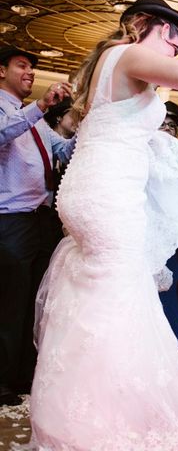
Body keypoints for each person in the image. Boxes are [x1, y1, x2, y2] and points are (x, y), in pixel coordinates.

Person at [28, 0, 178, 449]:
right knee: (121, 303)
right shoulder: (124, 53)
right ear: (142, 24)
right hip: (106, 196)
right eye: (172, 37)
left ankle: (78, 414)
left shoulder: (117, 67)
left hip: (93, 191)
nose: (176, 49)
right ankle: (106, 426)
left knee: (95, 302)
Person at [0, 45, 74, 407]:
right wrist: (41, 106)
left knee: (36, 301)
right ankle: (1, 379)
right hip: (9, 219)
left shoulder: (37, 123)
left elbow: (63, 151)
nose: (30, 72)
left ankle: (26, 374)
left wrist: (93, 128)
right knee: (9, 303)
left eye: (32, 67)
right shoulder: (10, 111)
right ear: (1, 71)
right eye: (22, 66)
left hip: (41, 220)